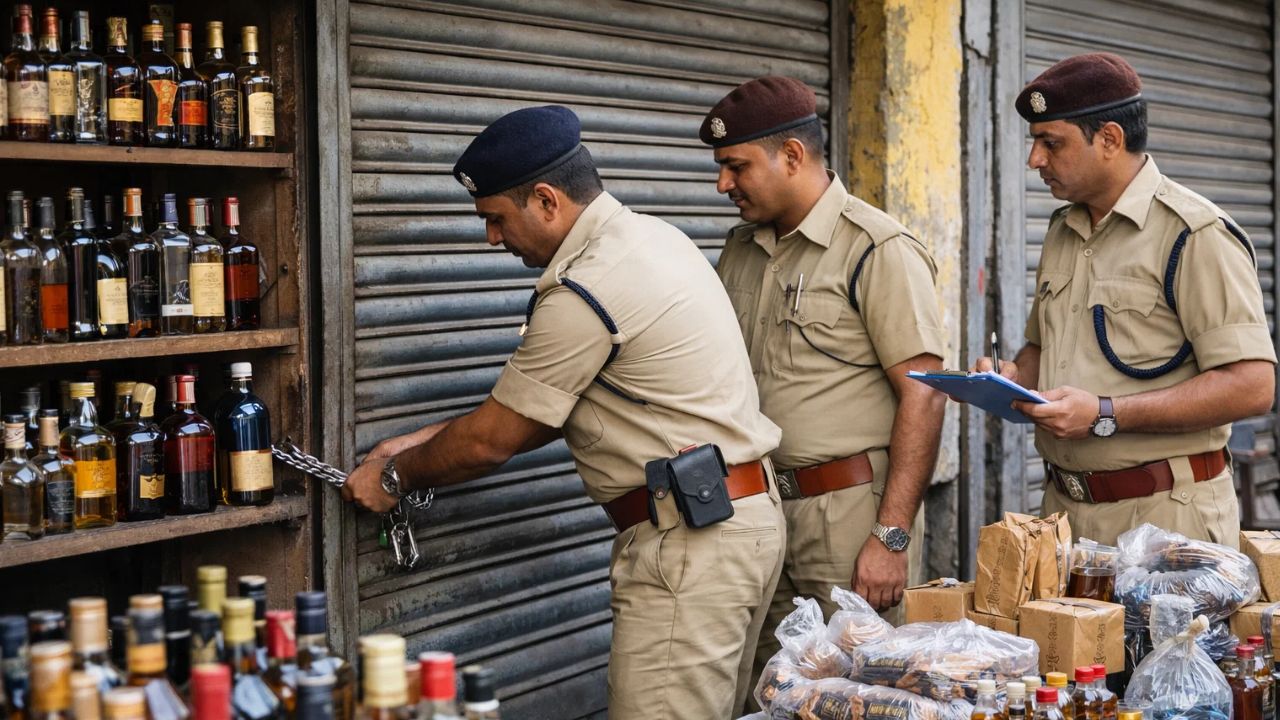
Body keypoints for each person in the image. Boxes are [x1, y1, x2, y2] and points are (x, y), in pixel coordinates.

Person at [340, 105, 787, 719]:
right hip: (737, 523)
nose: (492, 238)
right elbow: (534, 409)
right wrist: (410, 442)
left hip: (692, 545)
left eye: (496, 218)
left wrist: (395, 477)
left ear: (547, 201)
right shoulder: (652, 238)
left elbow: (493, 439)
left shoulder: (588, 285)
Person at [699, 76, 946, 696]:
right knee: (767, 689)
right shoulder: (741, 251)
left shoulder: (877, 249)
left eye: (736, 166)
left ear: (792, 156)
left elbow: (927, 390)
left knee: (855, 694)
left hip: (845, 516)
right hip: (757, 510)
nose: (723, 184)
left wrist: (889, 537)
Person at [970, 52, 1275, 547]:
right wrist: (1012, 379)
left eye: (1051, 143)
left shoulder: (1193, 234)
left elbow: (1252, 386)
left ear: (1109, 139)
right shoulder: (1062, 229)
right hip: (1065, 515)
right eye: (1035, 144)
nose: (1035, 161)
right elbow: (1042, 348)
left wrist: (1106, 412)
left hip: (1166, 520)